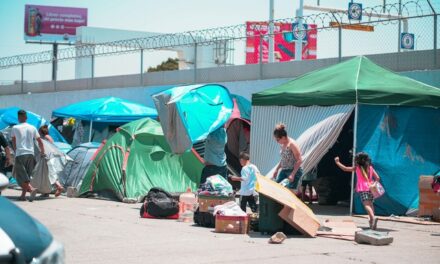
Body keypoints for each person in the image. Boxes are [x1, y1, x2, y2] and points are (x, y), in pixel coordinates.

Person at [334, 152, 381, 230]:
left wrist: (337, 162)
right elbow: (378, 178)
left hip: (363, 188)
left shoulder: (357, 168)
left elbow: (345, 168)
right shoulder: (371, 168)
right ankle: (371, 221)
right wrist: (373, 184)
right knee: (371, 204)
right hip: (371, 188)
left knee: (366, 204)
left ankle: (373, 218)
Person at [11, 110, 45, 202]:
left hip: (20, 153)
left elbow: (13, 141)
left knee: (21, 176)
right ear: (26, 117)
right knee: (27, 176)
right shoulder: (32, 127)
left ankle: (31, 189)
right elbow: (40, 141)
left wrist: (15, 151)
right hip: (30, 154)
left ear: (18, 118)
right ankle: (23, 196)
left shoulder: (15, 127)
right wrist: (42, 152)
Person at [271, 123, 303, 189]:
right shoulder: (282, 145)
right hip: (284, 170)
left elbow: (299, 160)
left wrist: (293, 174)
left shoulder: (292, 144)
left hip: (293, 171)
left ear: (283, 137)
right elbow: (283, 159)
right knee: (277, 188)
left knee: (290, 192)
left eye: (277, 139)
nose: (277, 141)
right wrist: (277, 169)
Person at [38, 125, 64, 197]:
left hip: (47, 157)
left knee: (47, 174)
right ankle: (52, 189)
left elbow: (47, 148)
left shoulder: (45, 138)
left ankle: (55, 187)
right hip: (51, 157)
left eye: (39, 131)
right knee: (50, 174)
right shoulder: (49, 137)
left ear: (41, 132)